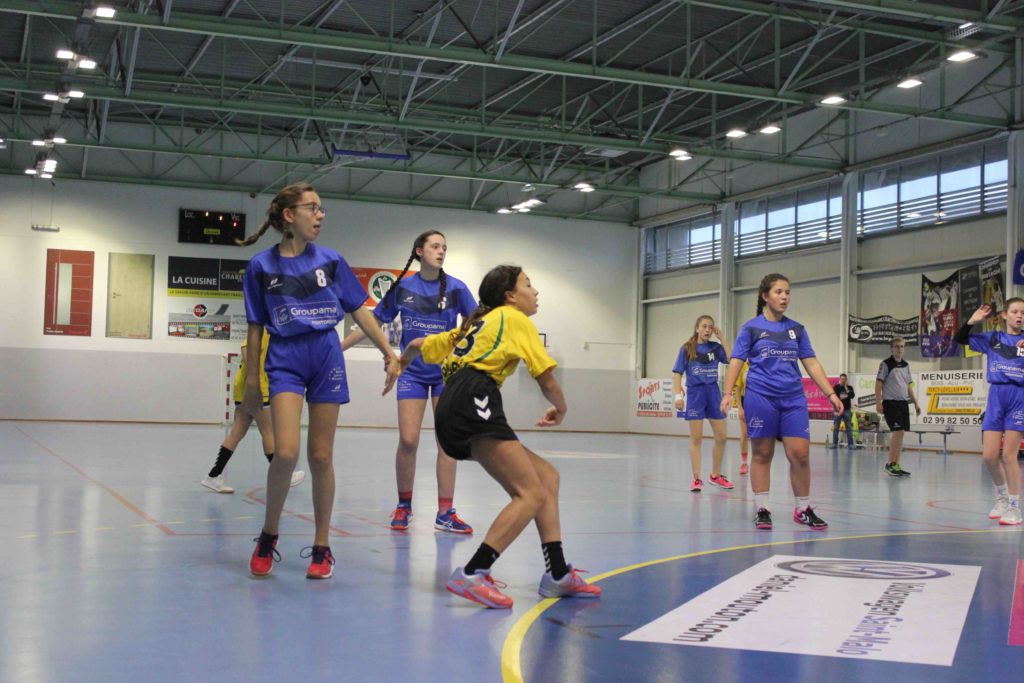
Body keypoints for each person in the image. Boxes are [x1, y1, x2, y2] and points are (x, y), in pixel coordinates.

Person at [393, 265, 600, 608]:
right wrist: (561, 409)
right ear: (510, 296)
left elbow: (419, 344)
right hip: (473, 397)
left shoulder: (477, 323)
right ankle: (473, 572)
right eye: (528, 285)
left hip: (454, 402)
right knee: (530, 493)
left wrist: (399, 362)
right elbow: (546, 378)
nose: (535, 292)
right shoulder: (514, 318)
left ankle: (557, 573)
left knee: (546, 478)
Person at [240, 183, 401, 579]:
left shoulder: (331, 261)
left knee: (321, 456)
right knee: (286, 453)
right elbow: (256, 327)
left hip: (326, 354)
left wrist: (388, 352)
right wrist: (252, 381)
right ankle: (268, 534)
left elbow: (360, 311)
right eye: (312, 208)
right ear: (289, 215)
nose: (320, 215)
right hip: (285, 358)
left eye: (322, 208)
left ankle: (322, 546)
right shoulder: (261, 267)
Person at [342, 231, 477, 534]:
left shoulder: (457, 289)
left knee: (447, 442)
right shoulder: (403, 288)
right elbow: (373, 323)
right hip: (412, 373)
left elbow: (476, 325)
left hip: (446, 374)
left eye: (444, 247)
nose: (441, 251)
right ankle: (404, 505)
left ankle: (445, 512)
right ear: (419, 251)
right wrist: (339, 348)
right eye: (435, 246)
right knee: (408, 440)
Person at [720, 273, 843, 531]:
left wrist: (831, 394)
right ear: (765, 296)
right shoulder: (750, 328)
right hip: (761, 397)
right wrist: (728, 393)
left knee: (800, 454)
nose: (784, 296)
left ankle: (803, 509)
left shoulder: (797, 330)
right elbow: (736, 361)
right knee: (762, 453)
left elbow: (811, 363)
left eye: (787, 292)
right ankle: (762, 509)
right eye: (778, 292)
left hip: (793, 399)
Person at [201, 331, 305, 493]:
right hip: (255, 388)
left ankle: (213, 475)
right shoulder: (263, 329)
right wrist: (254, 382)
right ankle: (285, 475)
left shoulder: (271, 332)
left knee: (237, 432)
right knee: (268, 430)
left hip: (246, 388)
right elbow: (246, 349)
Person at [955, 300, 1024, 525]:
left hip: (1019, 397)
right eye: (1015, 312)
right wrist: (971, 322)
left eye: (1023, 313)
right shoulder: (993, 338)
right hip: (996, 396)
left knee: (1009, 456)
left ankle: (1014, 507)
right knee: (989, 456)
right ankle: (1002, 497)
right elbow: (960, 339)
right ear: (1004, 315)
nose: (1019, 316)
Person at [673, 315, 732, 492]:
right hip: (695, 394)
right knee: (696, 438)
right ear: (697, 328)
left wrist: (723, 340)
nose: (707, 330)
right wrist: (677, 396)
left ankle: (715, 476)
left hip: (713, 393)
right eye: (704, 326)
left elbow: (731, 359)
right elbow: (677, 373)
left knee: (722, 437)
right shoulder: (687, 348)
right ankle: (697, 478)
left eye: (710, 327)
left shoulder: (716, 348)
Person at [875, 338, 921, 477]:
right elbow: (878, 384)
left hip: (903, 403)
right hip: (890, 402)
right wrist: (878, 402)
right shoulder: (886, 364)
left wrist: (915, 403)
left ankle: (896, 465)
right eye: (896, 346)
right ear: (891, 348)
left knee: (901, 433)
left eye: (902, 346)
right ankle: (890, 464)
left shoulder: (906, 365)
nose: (899, 349)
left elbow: (908, 386)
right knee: (898, 431)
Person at [828, 373, 856, 450]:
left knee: (849, 428)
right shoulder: (836, 387)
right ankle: (834, 444)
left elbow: (852, 396)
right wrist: (846, 395)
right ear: (840, 379)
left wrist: (846, 388)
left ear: (846, 380)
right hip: (838, 410)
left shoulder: (849, 387)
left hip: (847, 410)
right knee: (836, 427)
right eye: (842, 379)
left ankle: (850, 444)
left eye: (844, 379)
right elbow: (835, 398)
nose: (843, 380)